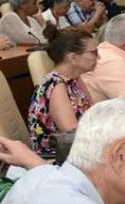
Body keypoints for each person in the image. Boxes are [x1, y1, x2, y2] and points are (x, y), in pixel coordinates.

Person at [28, 27, 97, 155]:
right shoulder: (56, 87)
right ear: (73, 58)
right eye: (94, 52)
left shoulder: (75, 79)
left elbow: (92, 116)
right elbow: (72, 139)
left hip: (81, 152)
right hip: (57, 160)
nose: (99, 56)